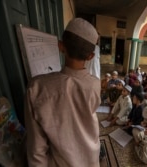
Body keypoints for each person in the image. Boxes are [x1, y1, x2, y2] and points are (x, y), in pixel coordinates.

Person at [24, 18, 101, 167]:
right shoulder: (95, 84)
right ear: (90, 56)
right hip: (91, 160)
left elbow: (36, 149)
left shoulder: (36, 88)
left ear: (60, 46)